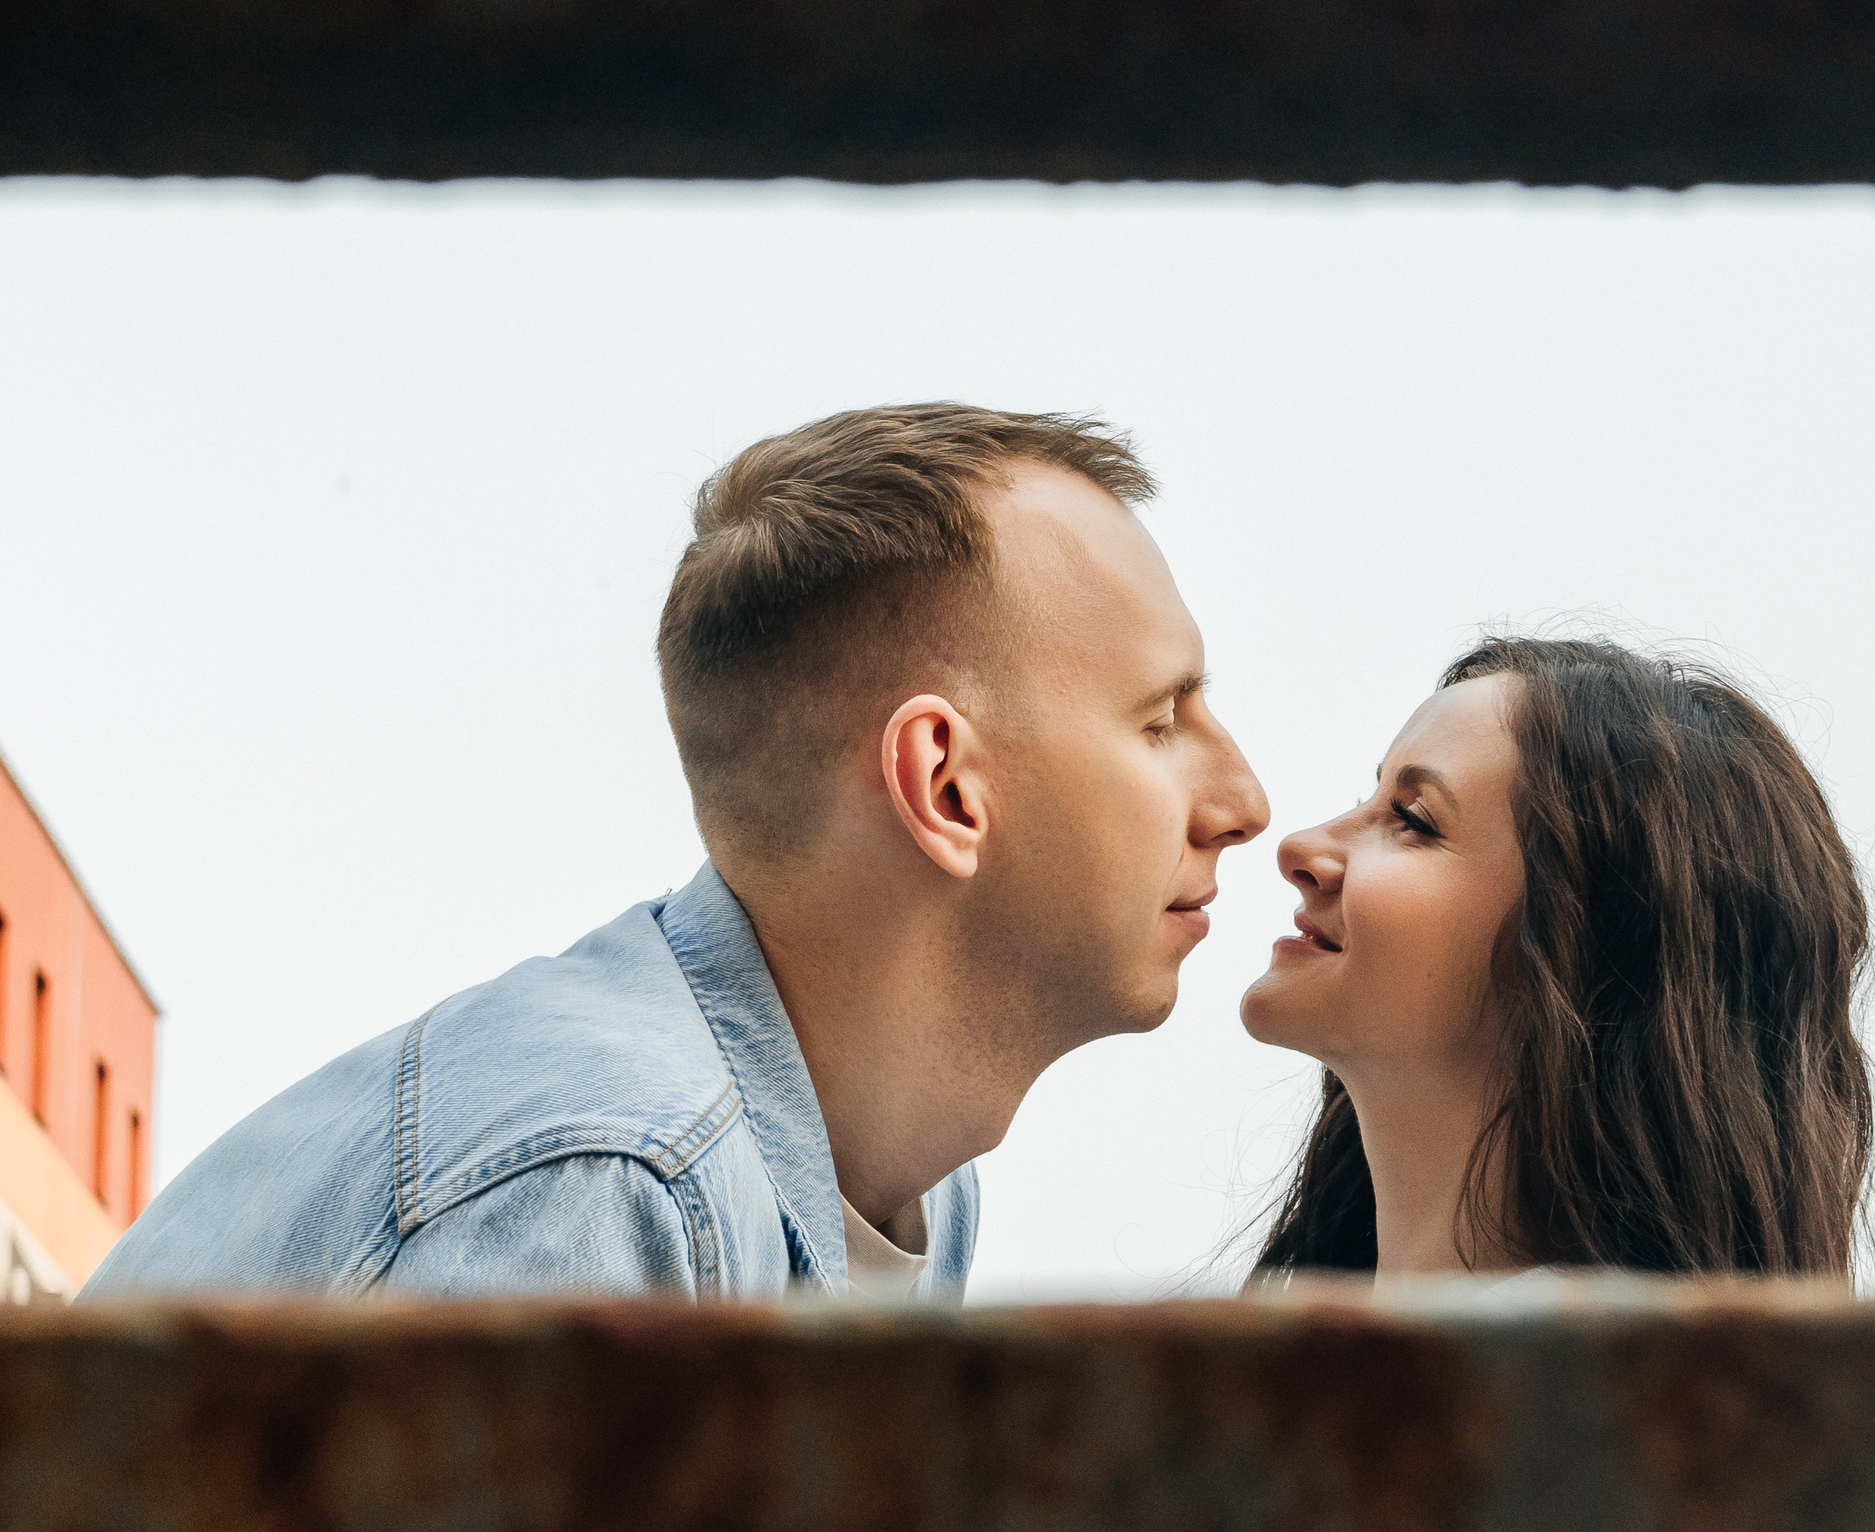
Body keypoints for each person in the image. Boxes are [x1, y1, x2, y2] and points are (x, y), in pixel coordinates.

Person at [86, 404, 1268, 1301]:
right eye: (1160, 723)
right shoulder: (605, 1183)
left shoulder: (915, 1186)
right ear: (945, 787)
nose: (1244, 801)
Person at [1240, 635, 1873, 1280]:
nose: (1300, 847)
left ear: (1590, 957)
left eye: (1414, 819)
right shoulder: (1336, 1365)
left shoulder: (1595, 1378)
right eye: (1366, 799)